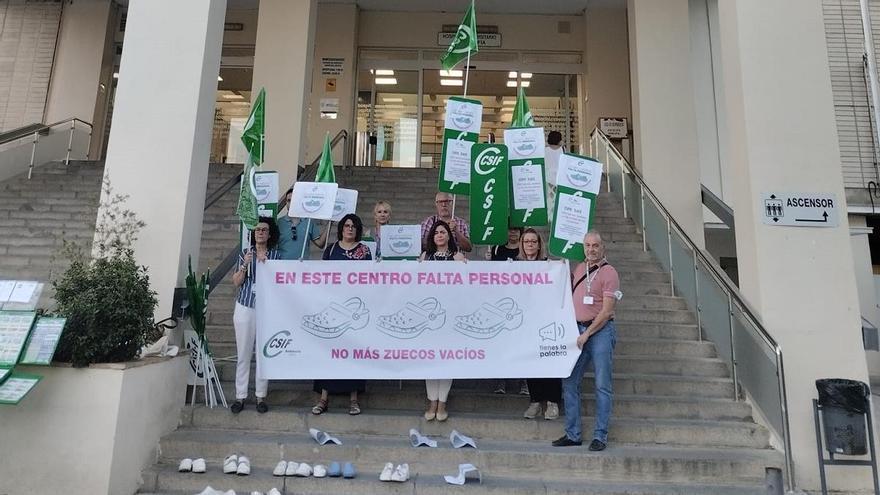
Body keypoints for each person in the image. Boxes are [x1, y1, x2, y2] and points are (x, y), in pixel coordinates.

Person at [553, 231, 620, 450]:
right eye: (588, 245)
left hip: (598, 332)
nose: (591, 249)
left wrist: (587, 333)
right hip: (578, 330)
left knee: (602, 385)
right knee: (570, 381)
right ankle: (573, 434)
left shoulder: (609, 273)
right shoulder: (580, 269)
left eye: (595, 246)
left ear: (603, 248)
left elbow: (607, 311)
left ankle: (600, 435)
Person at [312, 213, 372, 416]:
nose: (350, 229)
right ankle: (323, 397)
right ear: (341, 228)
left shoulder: (364, 251)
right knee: (328, 353)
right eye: (346, 225)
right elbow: (322, 278)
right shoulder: (331, 249)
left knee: (354, 354)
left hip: (354, 311)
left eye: (354, 226)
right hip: (333, 310)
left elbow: (370, 278)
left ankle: (354, 399)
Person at [230, 217, 281, 414]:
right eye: (258, 229)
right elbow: (236, 281)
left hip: (266, 309)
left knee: (262, 353)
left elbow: (279, 283)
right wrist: (245, 265)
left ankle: (261, 396)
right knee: (243, 353)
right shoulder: (245, 254)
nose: (260, 232)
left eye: (264, 230)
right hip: (245, 306)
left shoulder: (276, 256)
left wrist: (266, 265)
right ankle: (240, 396)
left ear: (269, 234)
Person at [420, 220, 465, 421]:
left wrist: (461, 264)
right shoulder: (425, 257)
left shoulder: (458, 257)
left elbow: (467, 283)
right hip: (429, 318)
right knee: (430, 359)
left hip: (450, 316)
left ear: (449, 236)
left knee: (446, 359)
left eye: (443, 232)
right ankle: (432, 402)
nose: (439, 235)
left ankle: (442, 403)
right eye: (436, 232)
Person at [518, 229, 561, 420]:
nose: (529, 245)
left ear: (539, 244)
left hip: (546, 320)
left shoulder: (549, 265)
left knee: (549, 361)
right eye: (526, 241)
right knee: (531, 363)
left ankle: (552, 402)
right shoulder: (515, 266)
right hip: (525, 323)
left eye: (533, 241)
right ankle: (535, 401)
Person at [486, 225, 529, 396]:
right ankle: (501, 380)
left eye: (516, 230)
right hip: (501, 302)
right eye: (510, 230)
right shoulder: (497, 248)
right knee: (502, 344)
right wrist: (489, 260)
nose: (512, 233)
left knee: (522, 344)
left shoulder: (525, 249)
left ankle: (524, 381)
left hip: (521, 303)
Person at [277, 187, 327, 260]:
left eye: (294, 200)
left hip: (302, 267)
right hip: (281, 267)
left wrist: (329, 224)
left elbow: (320, 244)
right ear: (286, 203)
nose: (291, 203)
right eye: (289, 200)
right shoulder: (279, 223)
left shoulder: (308, 221)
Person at [545, 130, 564, 214]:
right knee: (558, 199)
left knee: (549, 198)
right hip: (559, 178)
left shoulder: (544, 150)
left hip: (547, 178)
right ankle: (557, 214)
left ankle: (549, 215)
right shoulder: (563, 150)